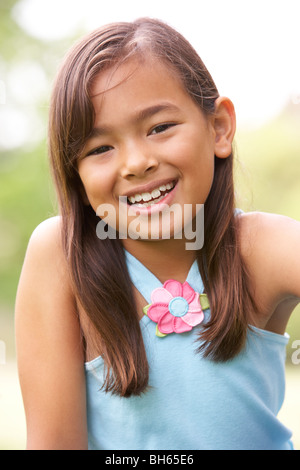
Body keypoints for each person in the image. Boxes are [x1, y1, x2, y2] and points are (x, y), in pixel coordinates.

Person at [15, 18, 300, 450]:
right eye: (100, 149)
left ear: (219, 127)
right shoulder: (59, 256)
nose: (136, 162)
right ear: (77, 175)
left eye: (159, 128)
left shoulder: (261, 247)